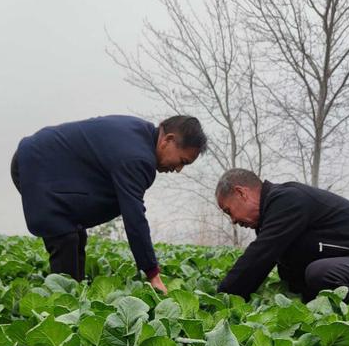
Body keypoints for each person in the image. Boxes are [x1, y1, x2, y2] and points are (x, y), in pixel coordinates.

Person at [11, 115, 207, 292]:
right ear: (168, 140)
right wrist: (152, 274)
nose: (179, 169)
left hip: (47, 164)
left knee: (76, 237)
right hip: (35, 164)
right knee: (65, 238)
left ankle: (73, 295)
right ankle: (65, 305)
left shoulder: (141, 134)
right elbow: (134, 217)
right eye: (182, 161)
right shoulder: (138, 158)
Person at [215, 169, 349, 302]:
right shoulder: (272, 213)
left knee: (320, 273)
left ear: (241, 193)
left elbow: (259, 257)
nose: (232, 220)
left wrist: (223, 299)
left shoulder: (287, 200)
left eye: (228, 211)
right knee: (306, 277)